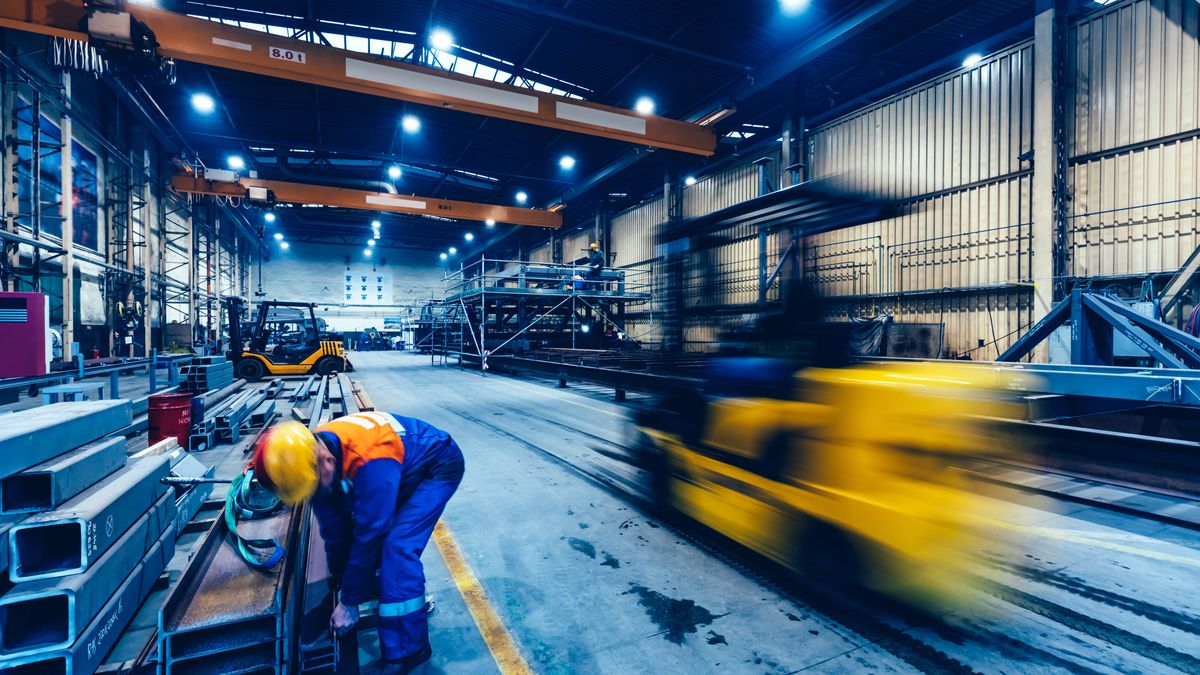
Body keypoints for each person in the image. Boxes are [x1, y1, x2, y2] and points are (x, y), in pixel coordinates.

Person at [251, 414, 465, 673]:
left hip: (437, 466)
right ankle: (380, 588)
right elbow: (335, 530)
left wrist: (350, 604)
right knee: (360, 529)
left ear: (326, 458)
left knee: (396, 548)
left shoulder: (369, 460)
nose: (317, 487)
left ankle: (409, 651)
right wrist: (342, 585)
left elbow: (371, 533)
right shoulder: (309, 459)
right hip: (400, 467)